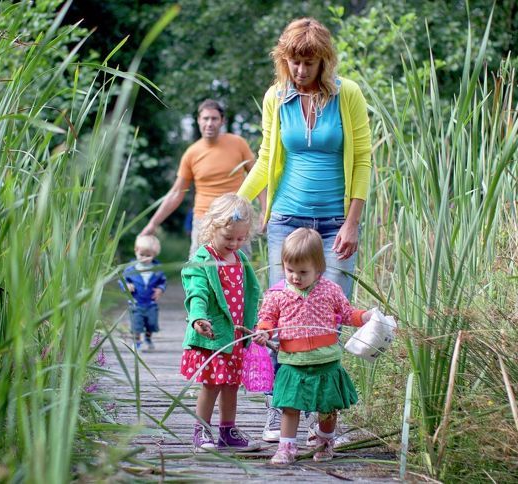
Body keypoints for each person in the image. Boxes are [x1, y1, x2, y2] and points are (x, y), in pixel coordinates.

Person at [237, 17, 373, 443]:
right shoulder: (276, 98)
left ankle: (325, 419)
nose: (300, 70)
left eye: (309, 62)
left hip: (335, 223)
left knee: (330, 319)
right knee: (282, 319)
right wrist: (238, 203)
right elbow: (265, 157)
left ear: (323, 61)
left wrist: (352, 223)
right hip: (288, 221)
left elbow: (364, 159)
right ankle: (281, 411)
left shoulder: (347, 94)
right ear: (285, 60)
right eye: (294, 61)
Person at [252, 228, 372, 465]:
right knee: (289, 405)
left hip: (325, 360)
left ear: (319, 268)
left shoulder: (330, 290)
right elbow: (267, 318)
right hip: (292, 361)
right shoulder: (277, 294)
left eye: (303, 272)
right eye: (290, 270)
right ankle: (287, 447)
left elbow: (346, 314)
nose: (295, 277)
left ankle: (325, 442)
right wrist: (263, 332)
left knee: (327, 407)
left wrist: (364, 317)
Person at [179, 194, 261, 452]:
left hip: (235, 336)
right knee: (212, 384)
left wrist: (255, 325)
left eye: (241, 239)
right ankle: (201, 429)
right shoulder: (203, 260)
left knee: (231, 385)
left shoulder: (240, 260)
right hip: (213, 335)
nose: (235, 244)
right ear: (211, 228)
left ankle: (228, 429)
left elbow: (250, 294)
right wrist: (198, 318)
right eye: (228, 238)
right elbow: (197, 292)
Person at [141, 99, 259, 257]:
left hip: (235, 217)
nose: (209, 123)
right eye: (205, 118)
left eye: (214, 119)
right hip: (204, 219)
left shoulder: (238, 144)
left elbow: (258, 176)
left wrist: (265, 210)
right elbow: (176, 193)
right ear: (198, 120)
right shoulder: (191, 153)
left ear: (222, 121)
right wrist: (152, 224)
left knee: (239, 270)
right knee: (197, 270)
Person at [121, 234, 167, 351]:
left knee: (151, 324)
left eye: (148, 256)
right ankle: (137, 341)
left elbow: (163, 281)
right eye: (141, 255)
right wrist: (126, 285)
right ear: (136, 251)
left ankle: (148, 338)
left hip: (151, 303)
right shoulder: (131, 268)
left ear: (154, 255)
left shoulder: (157, 269)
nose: (144, 258)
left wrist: (160, 289)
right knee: (136, 324)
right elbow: (122, 280)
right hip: (136, 302)